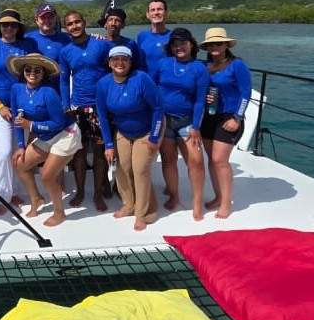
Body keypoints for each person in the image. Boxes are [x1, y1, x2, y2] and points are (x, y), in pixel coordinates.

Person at [96, 45, 164, 231]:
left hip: (147, 130)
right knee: (121, 167)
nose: (120, 63)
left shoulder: (141, 79)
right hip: (123, 131)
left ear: (130, 62)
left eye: (124, 59)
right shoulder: (103, 84)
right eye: (115, 59)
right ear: (109, 63)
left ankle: (142, 213)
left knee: (140, 169)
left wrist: (155, 137)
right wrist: (108, 144)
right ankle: (128, 204)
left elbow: (158, 109)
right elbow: (102, 114)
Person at [8, 53, 81, 226]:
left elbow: (58, 123)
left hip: (65, 134)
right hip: (46, 136)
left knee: (46, 176)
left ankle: (59, 212)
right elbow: (17, 120)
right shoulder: (16, 90)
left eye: (38, 70)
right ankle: (36, 199)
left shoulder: (49, 93)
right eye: (28, 69)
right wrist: (20, 145)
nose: (33, 73)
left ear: (44, 74)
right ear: (22, 71)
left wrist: (31, 125)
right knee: (20, 163)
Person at [0, 9, 38, 215]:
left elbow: (37, 72)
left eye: (13, 25)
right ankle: (4, 196)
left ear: (18, 28)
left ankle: (18, 193)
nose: (8, 28)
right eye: (4, 25)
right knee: (4, 153)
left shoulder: (28, 46)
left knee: (19, 153)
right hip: (1, 110)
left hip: (24, 108)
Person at [57, 10, 113, 211]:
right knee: (79, 153)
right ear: (66, 28)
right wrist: (65, 107)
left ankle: (98, 192)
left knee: (99, 152)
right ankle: (80, 191)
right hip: (78, 107)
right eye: (70, 24)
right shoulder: (65, 52)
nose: (74, 26)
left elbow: (116, 68)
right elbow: (63, 80)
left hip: (100, 106)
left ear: (84, 22)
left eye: (77, 22)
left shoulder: (101, 44)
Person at [153, 28, 208, 218]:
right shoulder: (163, 64)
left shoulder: (200, 68)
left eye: (183, 43)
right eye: (175, 44)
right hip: (165, 119)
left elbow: (200, 100)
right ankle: (174, 195)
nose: (179, 47)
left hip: (187, 121)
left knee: (196, 162)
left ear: (192, 44)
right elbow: (152, 89)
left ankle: (197, 202)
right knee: (168, 160)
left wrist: (196, 126)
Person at [200, 27, 252, 219]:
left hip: (229, 117)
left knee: (219, 160)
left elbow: (246, 93)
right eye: (211, 44)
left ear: (225, 45)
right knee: (211, 161)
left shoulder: (237, 65)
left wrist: (237, 117)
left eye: (218, 43)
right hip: (209, 117)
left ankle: (226, 202)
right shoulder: (205, 66)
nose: (215, 46)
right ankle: (218, 196)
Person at [25, 2, 71, 89]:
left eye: (50, 17)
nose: (47, 20)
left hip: (58, 91)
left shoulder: (66, 39)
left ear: (55, 19)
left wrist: (95, 37)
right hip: (33, 91)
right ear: (36, 20)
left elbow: (82, 43)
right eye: (43, 17)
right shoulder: (27, 39)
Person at [136, 0, 171, 75]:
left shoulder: (173, 37)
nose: (156, 13)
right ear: (148, 15)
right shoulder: (142, 36)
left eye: (159, 9)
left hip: (165, 84)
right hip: (146, 84)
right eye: (152, 10)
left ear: (166, 12)